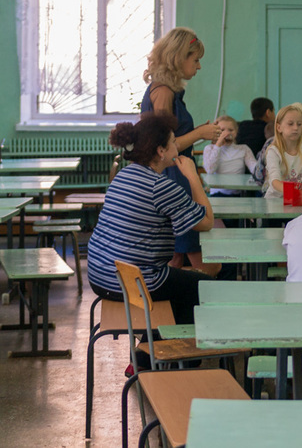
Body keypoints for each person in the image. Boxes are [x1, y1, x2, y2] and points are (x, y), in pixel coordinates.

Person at [88, 113, 217, 324]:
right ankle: (174, 343)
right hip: (134, 282)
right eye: (173, 142)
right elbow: (207, 222)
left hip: (100, 275)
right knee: (204, 285)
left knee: (181, 281)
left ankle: (154, 338)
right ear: (161, 151)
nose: (177, 147)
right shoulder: (161, 187)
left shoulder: (124, 175)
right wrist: (193, 176)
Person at [140, 27, 221, 271]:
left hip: (176, 172)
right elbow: (163, 147)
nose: (199, 66)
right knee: (204, 263)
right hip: (173, 174)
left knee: (176, 256)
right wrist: (199, 134)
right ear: (178, 58)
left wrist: (197, 132)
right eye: (195, 60)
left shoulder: (167, 91)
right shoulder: (163, 92)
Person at [263, 103, 302, 198]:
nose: (295, 128)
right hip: (275, 201)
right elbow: (275, 182)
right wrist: (294, 191)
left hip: (298, 200)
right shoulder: (274, 151)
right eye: (290, 124)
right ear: (279, 127)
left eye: (299, 124)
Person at [202, 116, 258, 195]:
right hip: (217, 194)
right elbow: (210, 170)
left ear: (236, 131)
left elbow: (255, 168)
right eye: (222, 130)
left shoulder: (243, 149)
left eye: (231, 130)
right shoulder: (209, 148)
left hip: (238, 193)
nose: (227, 133)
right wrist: (218, 144)